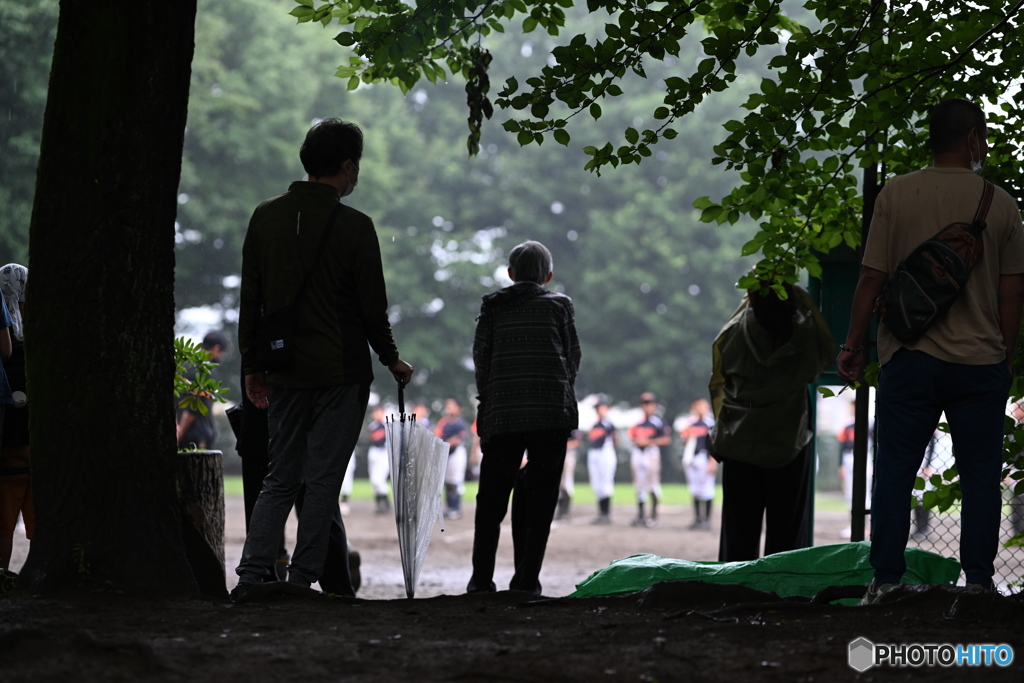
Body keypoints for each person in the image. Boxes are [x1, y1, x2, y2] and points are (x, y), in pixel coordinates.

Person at [836, 99, 1024, 601]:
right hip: (980, 362)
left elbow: (872, 276)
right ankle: (979, 584)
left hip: (908, 357)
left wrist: (853, 344)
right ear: (972, 139)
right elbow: (1012, 290)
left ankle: (886, 581)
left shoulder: (896, 194)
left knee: (896, 469)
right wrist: (1005, 355)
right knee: (981, 476)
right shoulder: (999, 202)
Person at [233, 118, 414, 600]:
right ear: (347, 166)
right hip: (340, 372)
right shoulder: (355, 226)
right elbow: (371, 307)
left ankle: (252, 575)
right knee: (321, 483)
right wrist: (392, 358)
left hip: (283, 369)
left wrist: (252, 364)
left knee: (279, 476)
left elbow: (252, 299)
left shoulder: (264, 216)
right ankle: (300, 580)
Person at [467, 240, 581, 595]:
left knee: (491, 500)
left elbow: (481, 361)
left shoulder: (493, 308)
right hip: (550, 415)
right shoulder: (560, 305)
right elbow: (572, 357)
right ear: (548, 276)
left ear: (511, 274)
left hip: (503, 414)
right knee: (541, 499)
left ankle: (480, 580)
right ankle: (527, 580)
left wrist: (488, 404)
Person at [710, 282, 833, 562]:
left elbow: (719, 368)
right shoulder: (803, 338)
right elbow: (824, 356)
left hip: (739, 439)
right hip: (788, 439)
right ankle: (783, 593)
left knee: (738, 532)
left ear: (750, 299)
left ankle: (735, 589)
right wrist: (805, 304)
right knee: (787, 531)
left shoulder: (734, 334)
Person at [0, 266, 25, 582]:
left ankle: (3, 573)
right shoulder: (33, 349)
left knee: (4, 518)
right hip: (31, 443)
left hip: (10, 441)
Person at [176, 330, 229, 450]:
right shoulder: (207, 370)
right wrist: (181, 431)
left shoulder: (185, 367)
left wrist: (177, 430)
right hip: (199, 435)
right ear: (216, 348)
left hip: (180, 434)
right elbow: (196, 406)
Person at [628, 393, 671, 528]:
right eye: (644, 404)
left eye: (649, 404)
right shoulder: (638, 422)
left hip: (651, 453)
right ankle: (640, 516)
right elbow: (631, 437)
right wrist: (637, 441)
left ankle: (653, 516)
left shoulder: (658, 421)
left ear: (654, 405)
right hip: (638, 454)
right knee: (639, 485)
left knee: (652, 485)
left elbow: (666, 439)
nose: (647, 406)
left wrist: (648, 441)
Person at [678, 398, 717, 530]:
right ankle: (697, 519)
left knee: (707, 488)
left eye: (703, 405)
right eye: (697, 405)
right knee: (695, 489)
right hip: (692, 458)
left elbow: (714, 444)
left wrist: (713, 462)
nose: (700, 408)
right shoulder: (690, 423)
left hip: (705, 458)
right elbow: (683, 441)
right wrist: (687, 435)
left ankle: (706, 519)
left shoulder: (710, 423)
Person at [436, 398, 470, 520]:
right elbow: (438, 435)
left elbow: (458, 439)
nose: (448, 407)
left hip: (457, 454)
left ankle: (456, 508)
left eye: (451, 405)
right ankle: (450, 507)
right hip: (446, 453)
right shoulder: (444, 422)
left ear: (458, 408)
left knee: (455, 481)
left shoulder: (460, 422)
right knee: (448, 481)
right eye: (447, 405)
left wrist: (443, 444)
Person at [586, 396, 618, 525]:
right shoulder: (594, 425)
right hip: (594, 453)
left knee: (605, 482)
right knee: (596, 483)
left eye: (602, 407)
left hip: (605, 452)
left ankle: (606, 513)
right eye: (597, 408)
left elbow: (616, 440)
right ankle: (601, 513)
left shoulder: (608, 424)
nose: (599, 410)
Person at [366, 404, 390, 514]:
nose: (377, 414)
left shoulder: (388, 425)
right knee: (373, 479)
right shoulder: (372, 426)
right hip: (374, 452)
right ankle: (380, 505)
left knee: (378, 479)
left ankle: (386, 503)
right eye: (376, 412)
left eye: (379, 412)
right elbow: (373, 439)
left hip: (384, 452)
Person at [554, 430, 581, 520]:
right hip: (557, 455)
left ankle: (565, 511)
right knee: (559, 484)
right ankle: (560, 511)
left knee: (567, 483)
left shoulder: (571, 428)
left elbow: (576, 442)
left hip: (568, 455)